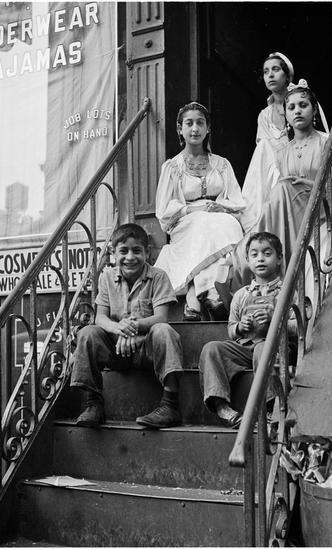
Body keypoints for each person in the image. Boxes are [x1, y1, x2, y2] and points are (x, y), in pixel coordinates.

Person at [70, 223, 184, 429]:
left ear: (147, 252)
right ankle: (93, 403)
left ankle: (170, 405)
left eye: (137, 251)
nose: (130, 257)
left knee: (164, 331)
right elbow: (100, 318)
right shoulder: (106, 277)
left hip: (145, 351)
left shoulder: (158, 276)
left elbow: (160, 318)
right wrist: (118, 329)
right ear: (113, 253)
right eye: (123, 251)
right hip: (116, 350)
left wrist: (132, 327)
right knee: (87, 333)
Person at [229, 80, 332, 290]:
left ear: (314, 110)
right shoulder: (281, 153)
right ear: (285, 114)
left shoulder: (327, 142)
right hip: (290, 212)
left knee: (283, 188)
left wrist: (309, 184)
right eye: (291, 107)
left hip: (319, 207)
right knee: (280, 190)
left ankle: (263, 259)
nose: (297, 111)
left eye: (303, 105)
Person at [154, 101, 246, 321]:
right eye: (189, 123)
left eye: (200, 123)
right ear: (180, 129)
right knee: (204, 223)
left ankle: (196, 296)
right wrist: (194, 208)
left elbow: (236, 199)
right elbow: (164, 209)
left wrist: (222, 207)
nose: (195, 128)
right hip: (186, 220)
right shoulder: (172, 167)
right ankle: (211, 293)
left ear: (208, 128)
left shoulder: (222, 164)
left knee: (227, 223)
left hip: (219, 215)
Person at [199, 232, 284, 428]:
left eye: (267, 253)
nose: (260, 259)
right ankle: (222, 408)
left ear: (279, 258)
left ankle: (269, 409)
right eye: (254, 254)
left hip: (274, 348)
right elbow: (231, 329)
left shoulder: (285, 291)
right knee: (212, 348)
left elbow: (297, 328)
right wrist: (240, 326)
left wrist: (275, 320)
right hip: (245, 348)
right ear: (247, 260)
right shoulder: (240, 295)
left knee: (263, 349)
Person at [241, 53, 330, 233]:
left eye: (275, 69)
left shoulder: (303, 99)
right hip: (277, 166)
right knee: (264, 148)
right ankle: (256, 224)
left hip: (306, 167)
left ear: (287, 75)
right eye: (266, 72)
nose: (270, 75)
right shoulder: (264, 115)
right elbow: (264, 153)